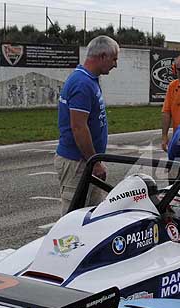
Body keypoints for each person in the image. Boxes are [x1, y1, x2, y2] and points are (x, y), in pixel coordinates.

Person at [54, 35, 119, 216]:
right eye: (114, 59)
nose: (115, 64)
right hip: (78, 162)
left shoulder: (89, 80)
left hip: (85, 161)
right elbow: (79, 127)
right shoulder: (82, 83)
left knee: (93, 215)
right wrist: (95, 162)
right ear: (102, 56)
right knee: (73, 217)